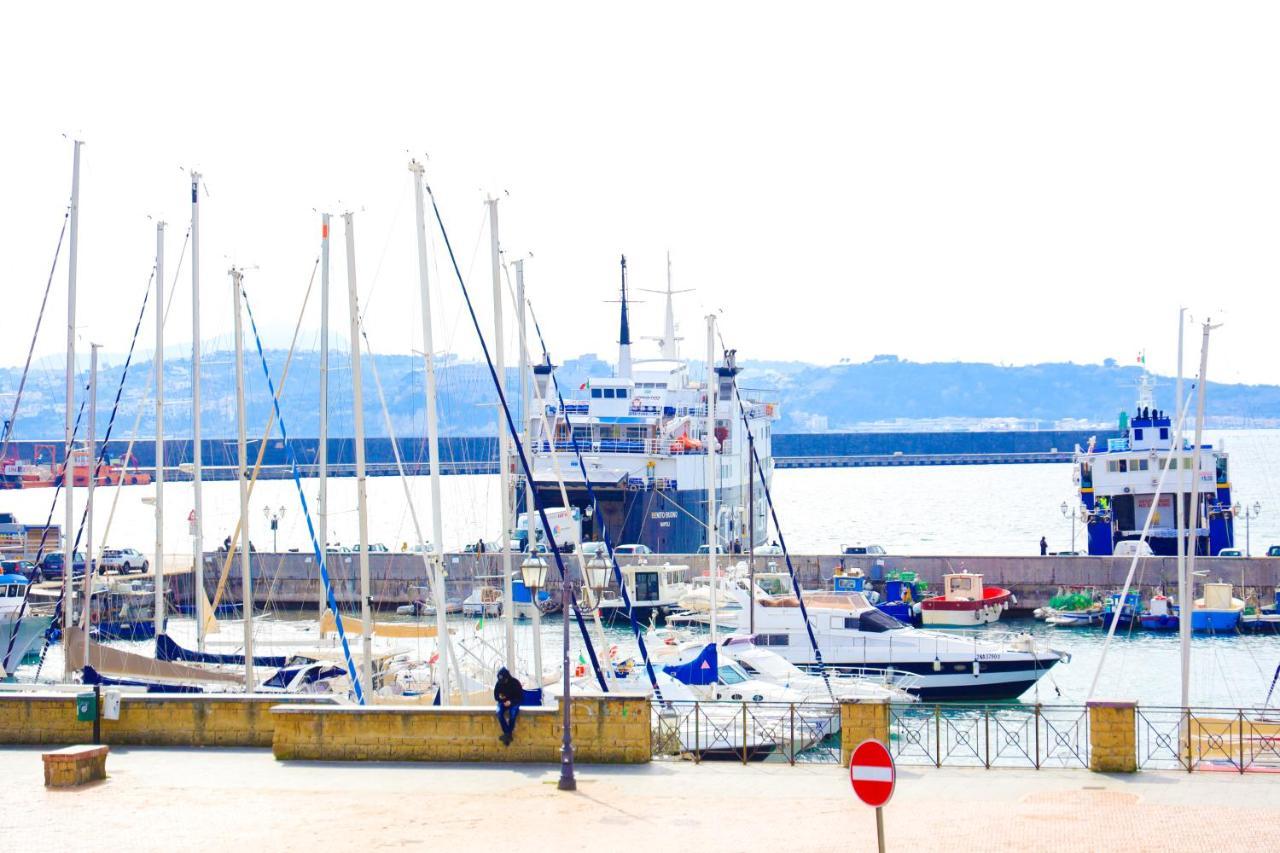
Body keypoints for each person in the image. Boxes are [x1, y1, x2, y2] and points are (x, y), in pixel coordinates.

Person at [494, 667, 524, 746]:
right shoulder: (499, 683)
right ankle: (508, 734)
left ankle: (507, 734)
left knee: (512, 713)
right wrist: (502, 701)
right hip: (503, 702)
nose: (503, 682)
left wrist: (511, 702)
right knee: (499, 712)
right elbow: (496, 696)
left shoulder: (515, 683)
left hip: (514, 702)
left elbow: (520, 697)